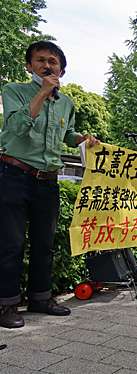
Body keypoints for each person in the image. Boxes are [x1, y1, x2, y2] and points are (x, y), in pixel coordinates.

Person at [0, 41, 100, 329]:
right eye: (40, 60)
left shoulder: (66, 103)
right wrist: (43, 93)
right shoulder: (14, 90)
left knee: (45, 244)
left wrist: (82, 139)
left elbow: (67, 133)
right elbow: (16, 127)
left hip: (48, 181)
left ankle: (40, 298)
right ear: (29, 65)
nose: (47, 65)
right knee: (10, 243)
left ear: (61, 70)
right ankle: (6, 304)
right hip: (14, 174)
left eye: (53, 62)